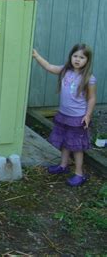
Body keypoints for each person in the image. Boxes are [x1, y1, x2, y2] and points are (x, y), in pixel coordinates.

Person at [32, 44, 96, 187]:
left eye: (82, 57)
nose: (77, 60)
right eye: (75, 56)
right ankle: (63, 165)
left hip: (77, 118)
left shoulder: (89, 79)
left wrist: (88, 115)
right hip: (64, 115)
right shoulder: (65, 71)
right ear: (71, 57)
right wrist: (36, 56)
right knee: (64, 143)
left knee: (77, 147)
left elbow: (92, 98)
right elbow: (48, 66)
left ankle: (79, 174)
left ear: (87, 60)